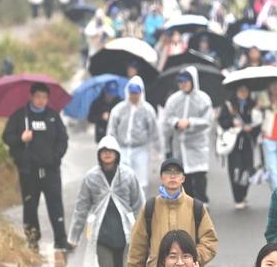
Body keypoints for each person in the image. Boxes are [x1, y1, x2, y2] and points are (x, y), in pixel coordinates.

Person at [68, 136, 143, 267]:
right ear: (99, 155)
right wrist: (74, 237)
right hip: (101, 234)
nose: (107, 154)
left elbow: (139, 205)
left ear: (117, 154)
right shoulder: (91, 178)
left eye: (111, 151)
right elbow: (81, 207)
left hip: (124, 233)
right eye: (104, 151)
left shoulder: (127, 175)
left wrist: (144, 234)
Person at [125, 158, 218, 267]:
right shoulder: (150, 207)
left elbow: (210, 241)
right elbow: (138, 243)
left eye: (177, 173)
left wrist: (190, 259)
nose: (173, 176)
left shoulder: (195, 207)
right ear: (161, 178)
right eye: (168, 172)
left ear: (183, 178)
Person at [2, 82, 69, 250]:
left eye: (44, 97)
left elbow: (63, 139)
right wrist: (20, 138)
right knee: (30, 205)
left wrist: (56, 157)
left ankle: (60, 240)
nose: (41, 100)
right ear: (31, 97)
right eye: (38, 97)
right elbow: (7, 137)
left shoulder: (53, 116)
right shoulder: (20, 116)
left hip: (50, 170)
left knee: (55, 205)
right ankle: (32, 238)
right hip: (29, 171)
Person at [163, 67, 214, 203]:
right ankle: (189, 204)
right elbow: (167, 118)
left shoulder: (203, 99)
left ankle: (203, 202)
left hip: (197, 145)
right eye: (181, 81)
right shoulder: (173, 100)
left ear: (193, 81)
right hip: (179, 145)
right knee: (185, 178)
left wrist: (190, 122)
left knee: (199, 176)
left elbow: (207, 121)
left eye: (186, 81)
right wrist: (176, 122)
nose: (184, 84)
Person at [107, 76, 161, 194]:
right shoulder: (119, 109)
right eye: (131, 93)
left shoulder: (148, 110)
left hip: (141, 150)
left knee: (141, 182)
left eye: (136, 93)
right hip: (122, 149)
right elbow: (111, 130)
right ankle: (123, 209)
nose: (134, 96)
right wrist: (110, 148)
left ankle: (141, 209)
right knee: (121, 181)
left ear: (141, 93)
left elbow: (154, 132)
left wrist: (157, 150)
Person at [218, 85, 257, 209]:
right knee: (235, 170)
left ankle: (244, 193)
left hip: (247, 142)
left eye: (246, 91)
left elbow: (258, 122)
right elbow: (221, 121)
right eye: (240, 91)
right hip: (234, 143)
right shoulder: (229, 105)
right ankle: (237, 197)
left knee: (248, 169)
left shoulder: (253, 105)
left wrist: (252, 127)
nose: (243, 93)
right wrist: (232, 122)